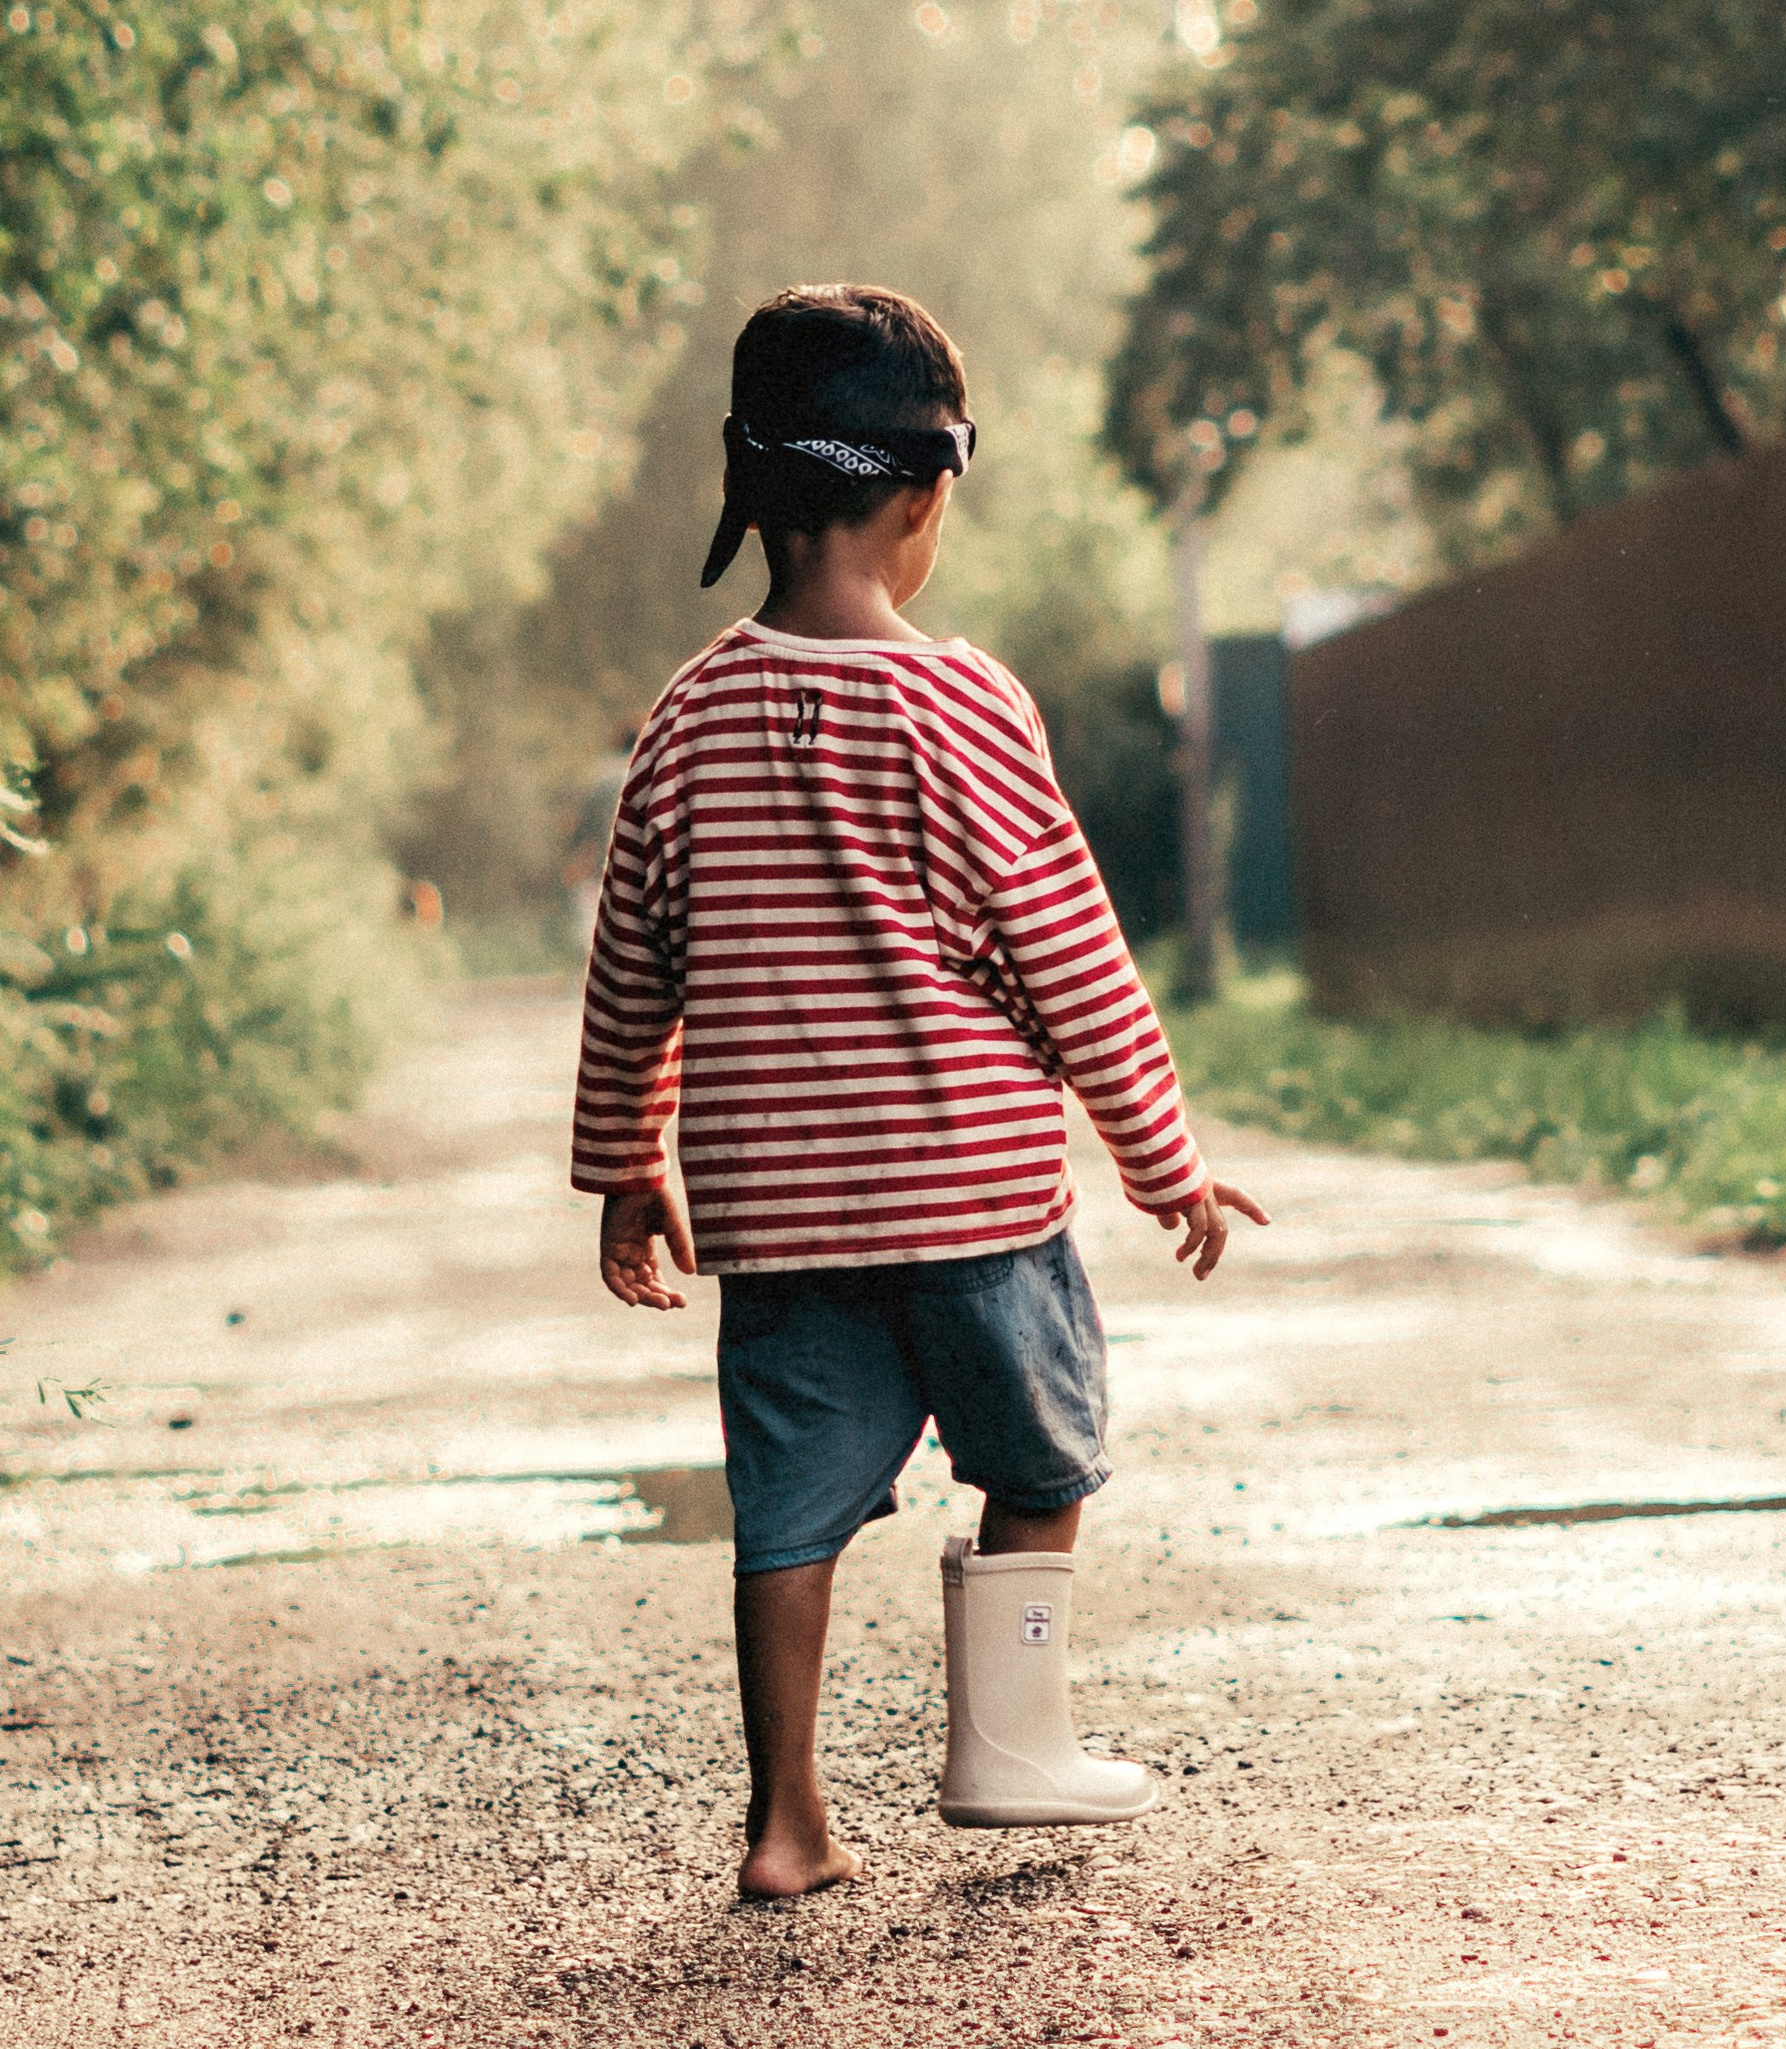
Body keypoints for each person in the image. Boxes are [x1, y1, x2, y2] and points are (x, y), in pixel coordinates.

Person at [569, 284, 1267, 1900]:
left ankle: (788, 1821)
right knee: (1037, 1460)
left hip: (781, 1214)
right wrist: (1163, 1159)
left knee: (788, 1510)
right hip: (974, 1203)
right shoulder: (966, 704)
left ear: (753, 492)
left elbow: (635, 972)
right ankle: (1011, 1750)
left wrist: (626, 1160)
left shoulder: (682, 719)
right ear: (922, 495)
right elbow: (1069, 957)